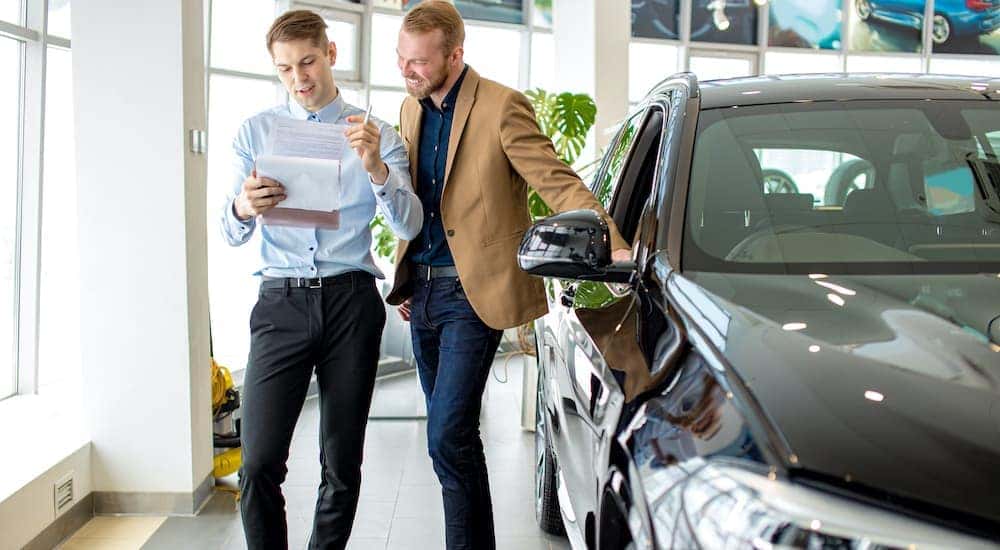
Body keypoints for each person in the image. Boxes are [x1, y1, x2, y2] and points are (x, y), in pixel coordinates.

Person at [384, 2, 630, 548]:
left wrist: (610, 238)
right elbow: (413, 198)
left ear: (456, 54)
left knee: (447, 434)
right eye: (401, 59)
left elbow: (556, 180)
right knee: (451, 441)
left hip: (473, 295)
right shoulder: (410, 107)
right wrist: (403, 268)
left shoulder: (500, 107)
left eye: (420, 62)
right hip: (419, 291)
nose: (408, 71)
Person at [219, 10, 422, 550]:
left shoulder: (374, 134)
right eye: (284, 69)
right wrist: (243, 206)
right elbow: (229, 230)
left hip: (350, 303)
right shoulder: (254, 133)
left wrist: (377, 168)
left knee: (341, 461)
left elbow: (410, 223)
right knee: (259, 462)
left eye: (307, 62)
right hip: (280, 304)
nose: (299, 78)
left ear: (330, 55)